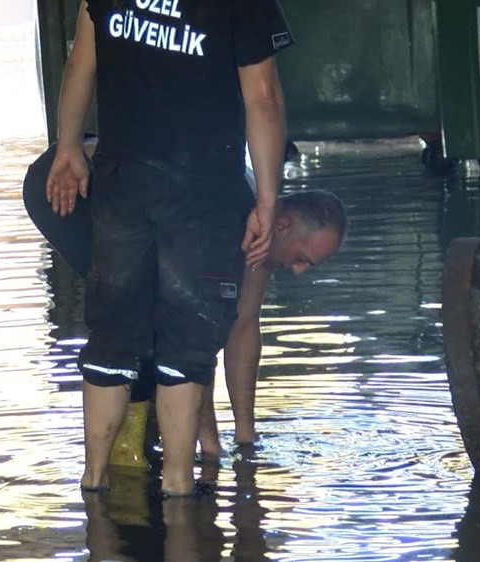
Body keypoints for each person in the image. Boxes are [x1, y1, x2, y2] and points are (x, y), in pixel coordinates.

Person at [46, 0, 295, 498]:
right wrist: (267, 197)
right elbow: (262, 96)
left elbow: (81, 61)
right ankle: (181, 489)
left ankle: (93, 481)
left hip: (122, 184)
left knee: (112, 339)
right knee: (186, 345)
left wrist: (68, 147)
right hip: (201, 193)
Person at [24, 141, 347, 462]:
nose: (299, 271)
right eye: (302, 258)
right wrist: (210, 444)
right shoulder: (225, 221)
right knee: (137, 319)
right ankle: (125, 455)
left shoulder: (261, 235)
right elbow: (192, 334)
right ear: (283, 225)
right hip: (67, 183)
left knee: (161, 323)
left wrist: (245, 436)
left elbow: (243, 327)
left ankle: (159, 432)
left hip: (148, 189)